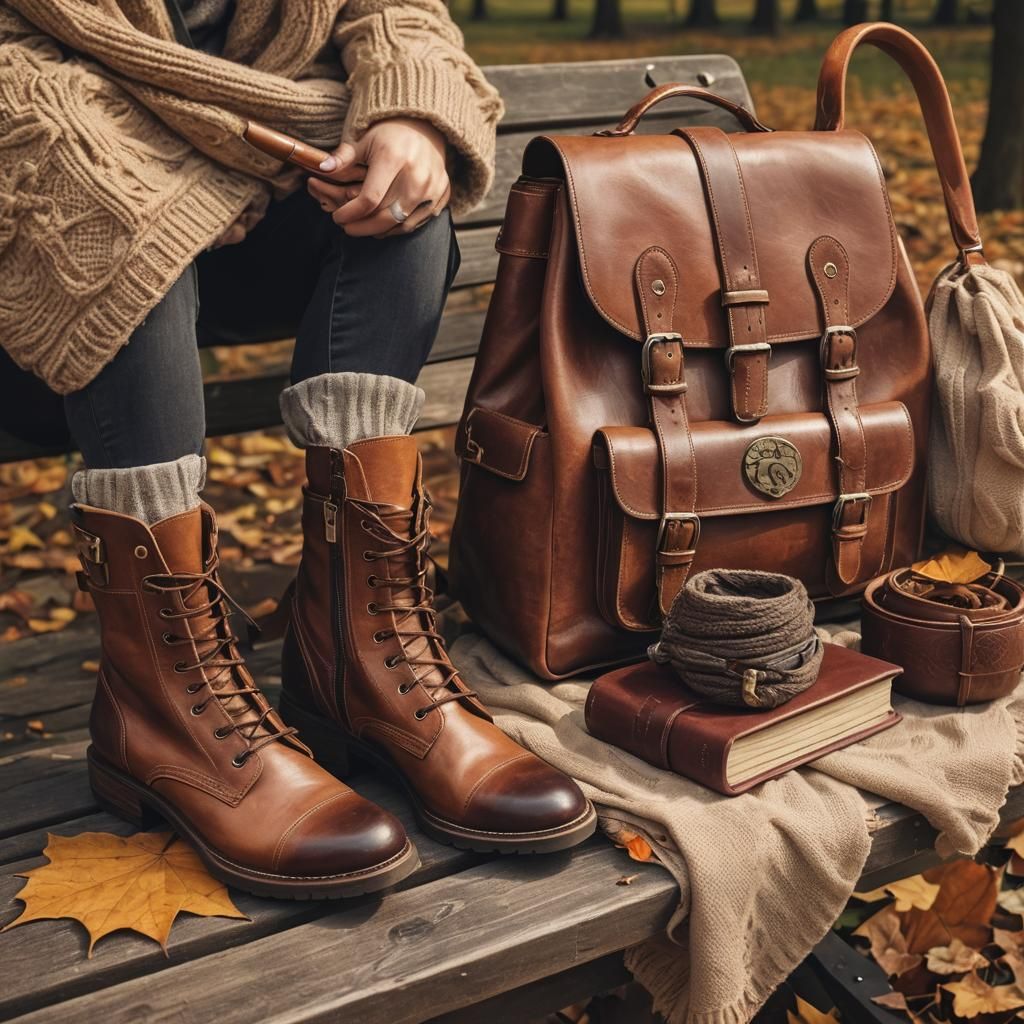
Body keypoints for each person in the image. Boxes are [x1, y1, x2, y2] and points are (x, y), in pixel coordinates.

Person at [0, 0, 596, 899]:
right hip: (46, 223)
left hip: (255, 176)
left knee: (398, 210)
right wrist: (170, 174)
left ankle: (360, 655)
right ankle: (159, 709)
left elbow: (392, 11)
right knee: (119, 219)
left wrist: (411, 112)